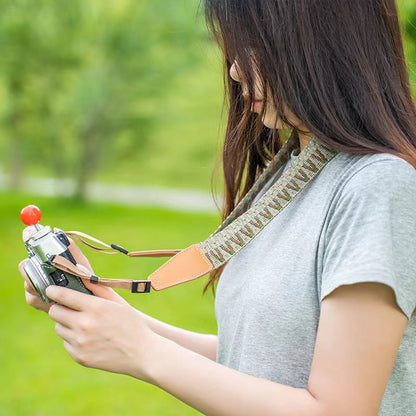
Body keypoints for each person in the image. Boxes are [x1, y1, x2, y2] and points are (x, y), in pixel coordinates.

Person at [18, 0, 416, 414]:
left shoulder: (378, 185)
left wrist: (145, 352)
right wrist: (113, 315)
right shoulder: (293, 170)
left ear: (321, 40)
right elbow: (259, 364)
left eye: (252, 46)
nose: (236, 70)